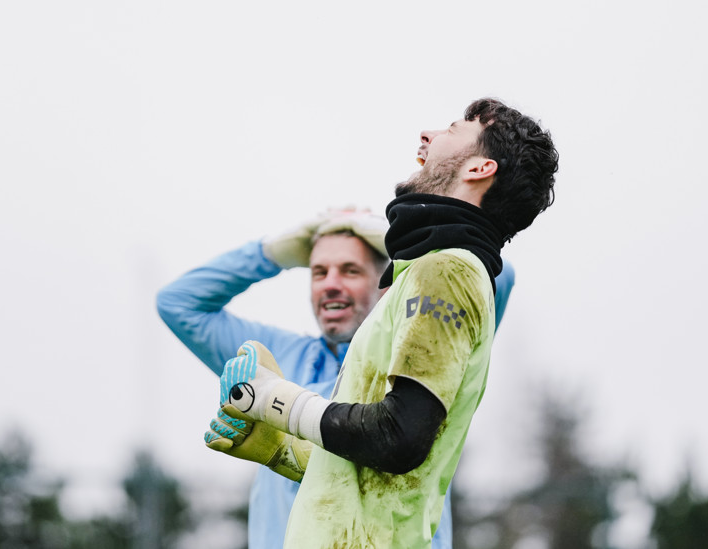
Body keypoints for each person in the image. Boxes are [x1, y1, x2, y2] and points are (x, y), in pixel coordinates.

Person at [207, 97, 558, 549]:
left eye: (453, 129)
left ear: (479, 169)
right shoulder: (432, 270)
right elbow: (377, 475)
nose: (427, 136)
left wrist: (277, 401)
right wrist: (279, 448)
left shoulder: (448, 271)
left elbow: (400, 439)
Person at [159, 209, 515, 548]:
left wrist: (396, 238)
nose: (330, 284)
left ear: (385, 283)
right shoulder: (278, 355)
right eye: (318, 271)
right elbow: (178, 303)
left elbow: (497, 275)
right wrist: (274, 253)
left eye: (350, 270)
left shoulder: (424, 347)